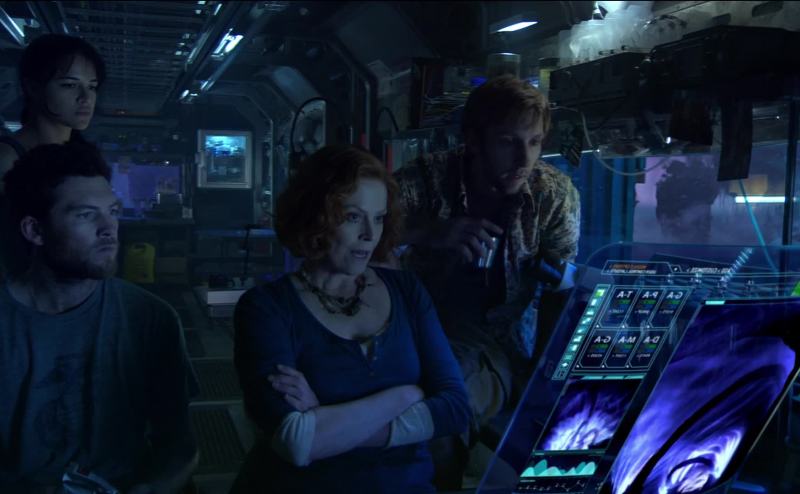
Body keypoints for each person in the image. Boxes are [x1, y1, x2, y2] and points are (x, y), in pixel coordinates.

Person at [231, 144, 470, 493]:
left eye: (379, 218)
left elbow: (455, 408)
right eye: (353, 217)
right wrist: (405, 396)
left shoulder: (406, 290)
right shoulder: (266, 308)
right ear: (316, 216)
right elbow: (297, 441)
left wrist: (325, 419)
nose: (370, 235)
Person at [394, 75, 581, 459]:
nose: (524, 160)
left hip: (493, 344)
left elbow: (560, 289)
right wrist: (429, 233)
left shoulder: (553, 195)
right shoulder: (427, 178)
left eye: (534, 142)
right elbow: (354, 231)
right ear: (474, 140)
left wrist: (542, 374)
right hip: (409, 327)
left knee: (444, 402)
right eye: (508, 142)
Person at [0, 141, 198, 493]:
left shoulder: (150, 318)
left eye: (112, 211)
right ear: (34, 230)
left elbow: (179, 445)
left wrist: (153, 488)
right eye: (86, 215)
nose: (109, 228)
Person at [0, 33, 105, 278]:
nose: (85, 98)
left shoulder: (80, 157)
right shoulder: (7, 159)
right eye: (69, 85)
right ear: (33, 88)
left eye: (92, 86)